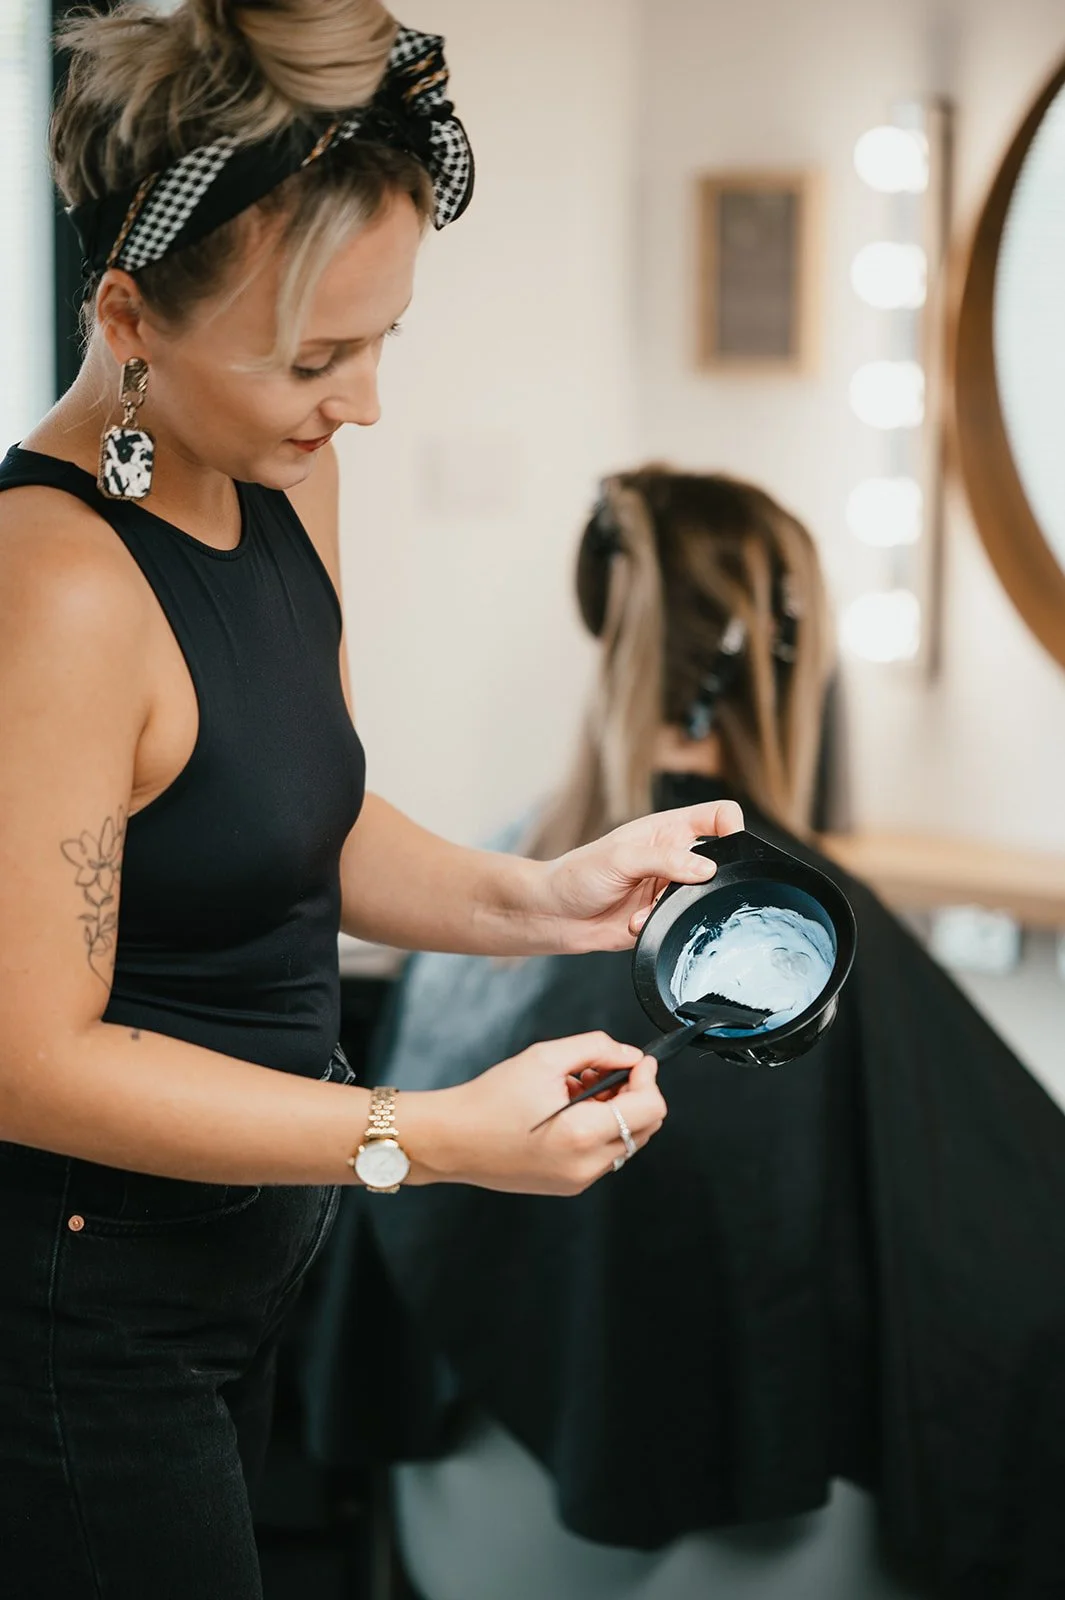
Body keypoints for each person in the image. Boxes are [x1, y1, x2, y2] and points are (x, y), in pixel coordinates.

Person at [0, 11, 757, 1598]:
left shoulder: (277, 475)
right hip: (70, 1328)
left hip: (232, 1283)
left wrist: (540, 895)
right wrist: (428, 1142)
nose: (363, 405)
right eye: (314, 357)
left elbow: (305, 825)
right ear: (128, 314)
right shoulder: (54, 586)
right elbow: (29, 1063)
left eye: (381, 341)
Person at [308, 467, 1065, 1600]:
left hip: (471, 1517)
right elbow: (1008, 1262)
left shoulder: (504, 878)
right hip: (740, 1530)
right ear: (791, 663)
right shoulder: (802, 927)